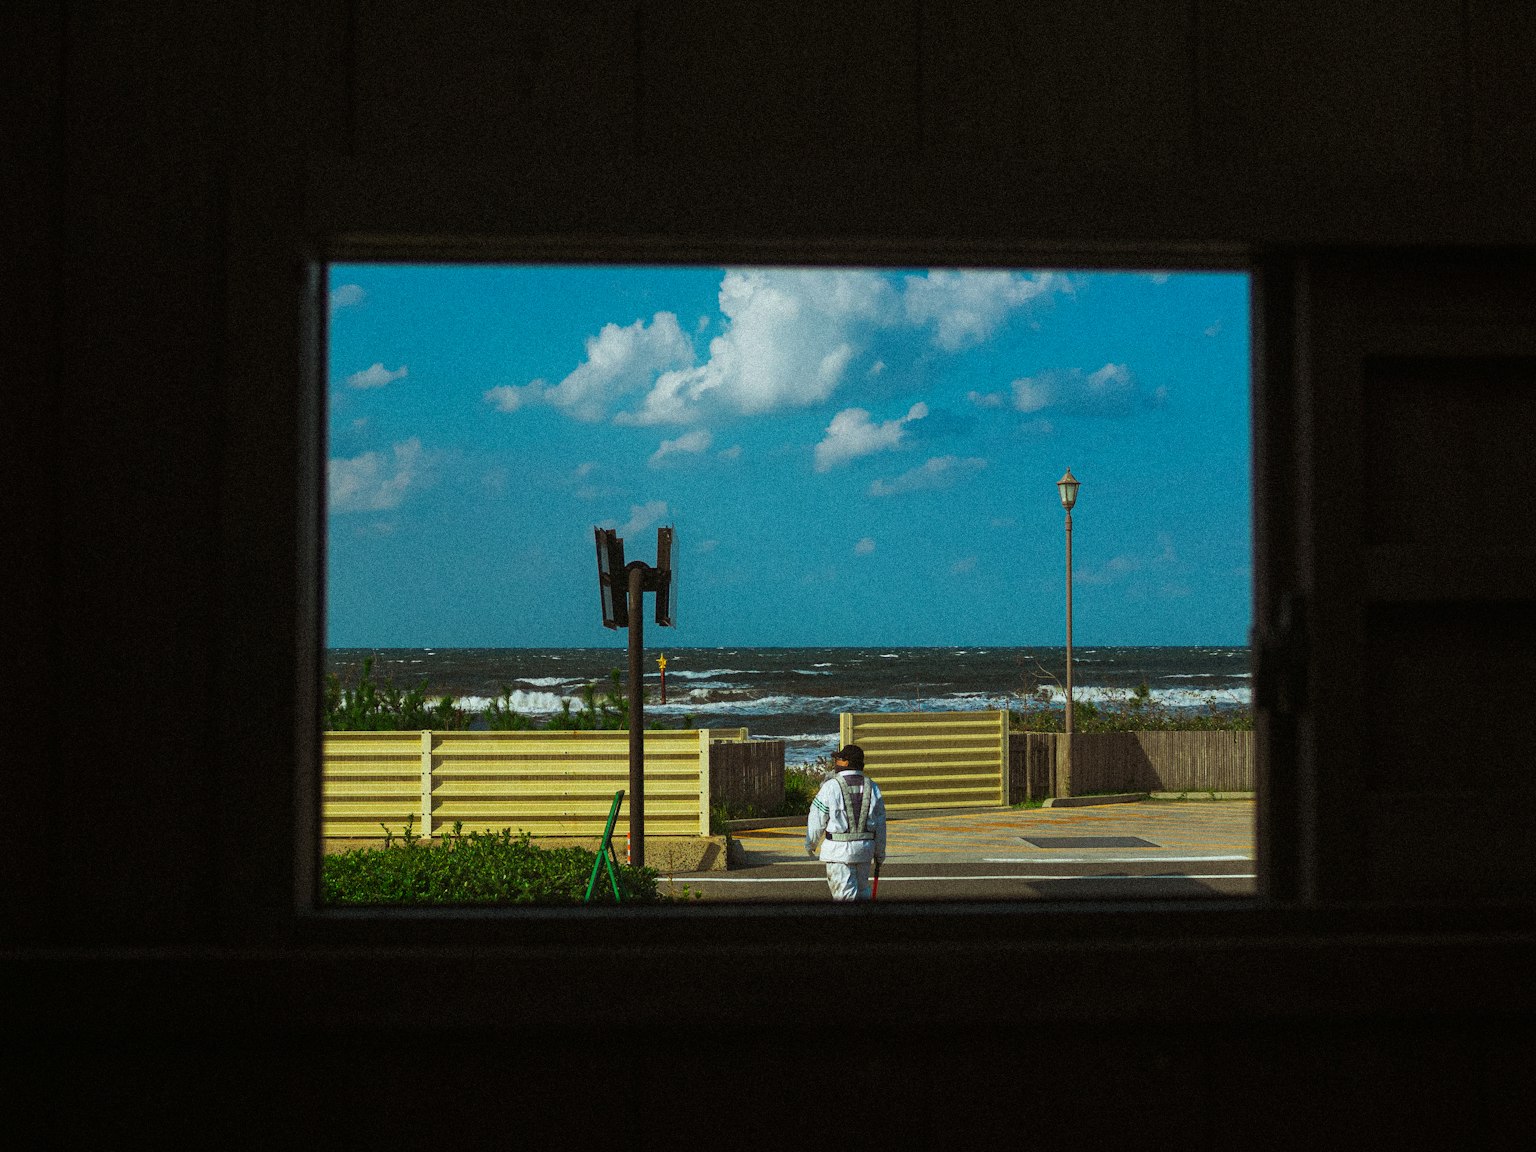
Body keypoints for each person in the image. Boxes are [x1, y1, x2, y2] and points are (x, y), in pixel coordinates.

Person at [806, 744, 887, 901]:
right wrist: (880, 854)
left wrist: (811, 844)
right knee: (863, 893)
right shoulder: (873, 787)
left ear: (846, 762)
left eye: (838, 759)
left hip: (838, 853)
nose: (835, 762)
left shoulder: (831, 787)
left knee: (845, 898)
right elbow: (880, 824)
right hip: (864, 851)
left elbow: (817, 819)